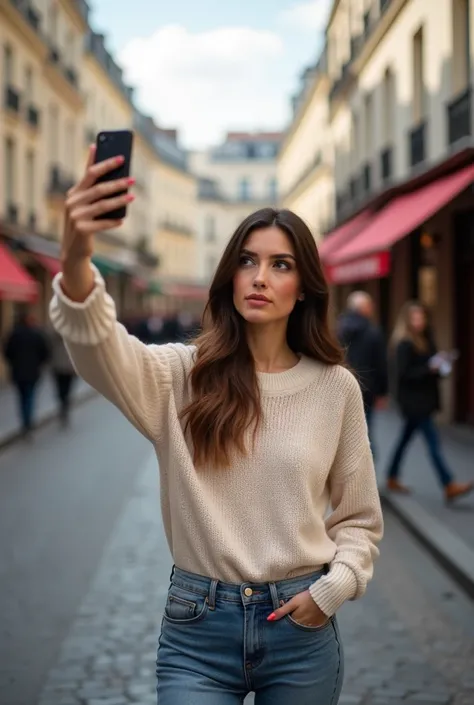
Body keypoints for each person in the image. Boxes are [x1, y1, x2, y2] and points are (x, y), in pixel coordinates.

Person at [49, 146, 384, 705]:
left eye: (280, 265)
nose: (259, 277)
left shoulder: (334, 388)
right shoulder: (181, 375)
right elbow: (98, 347)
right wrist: (77, 252)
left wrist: (333, 589)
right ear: (229, 276)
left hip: (300, 627)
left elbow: (359, 520)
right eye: (247, 261)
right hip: (197, 629)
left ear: (303, 286)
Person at [386, 301, 473, 502]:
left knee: (404, 439)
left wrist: (442, 366)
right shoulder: (404, 344)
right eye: (414, 318)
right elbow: (405, 374)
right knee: (433, 442)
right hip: (414, 402)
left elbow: (431, 367)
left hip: (425, 399)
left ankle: (391, 475)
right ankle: (448, 484)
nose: (419, 322)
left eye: (421, 317)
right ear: (407, 320)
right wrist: (429, 369)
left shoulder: (426, 339)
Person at [337, 291, 388, 453]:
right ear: (364, 308)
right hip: (367, 388)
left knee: (345, 430)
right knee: (365, 429)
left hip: (341, 386)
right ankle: (366, 466)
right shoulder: (373, 332)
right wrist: (383, 392)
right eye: (369, 305)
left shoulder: (339, 329)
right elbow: (381, 364)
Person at [3, 310, 50, 437]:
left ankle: (25, 420)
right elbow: (44, 352)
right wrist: (39, 363)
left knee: (21, 396)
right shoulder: (36, 334)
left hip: (18, 371)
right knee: (29, 396)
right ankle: (28, 421)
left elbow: (7, 352)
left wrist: (13, 363)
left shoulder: (13, 335)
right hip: (33, 371)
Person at [48, 328, 77, 427]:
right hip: (68, 368)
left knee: (60, 390)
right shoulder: (73, 337)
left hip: (58, 368)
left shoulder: (53, 337)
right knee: (66, 390)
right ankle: (64, 407)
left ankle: (63, 406)